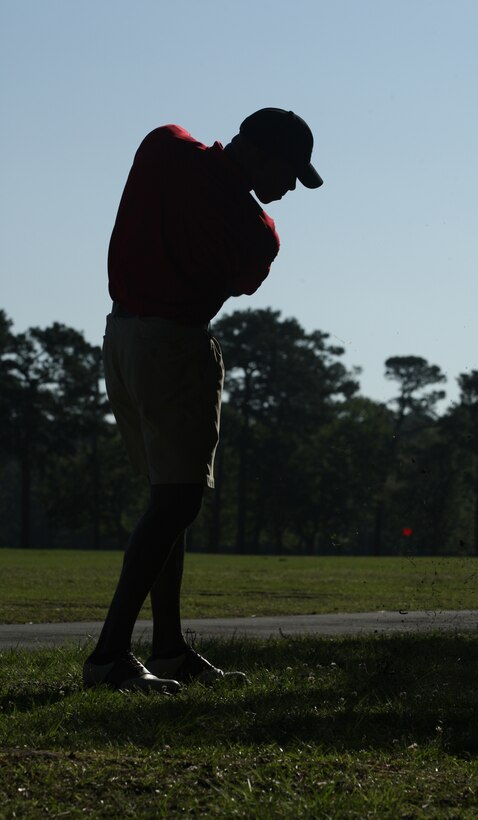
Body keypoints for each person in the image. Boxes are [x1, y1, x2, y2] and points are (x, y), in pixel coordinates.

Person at [83, 108, 323, 692]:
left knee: (171, 498)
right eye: (288, 172)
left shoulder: (164, 145)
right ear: (260, 154)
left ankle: (167, 648)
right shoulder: (257, 230)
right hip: (175, 345)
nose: (290, 187)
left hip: (121, 336)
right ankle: (110, 656)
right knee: (177, 502)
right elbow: (234, 280)